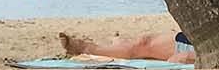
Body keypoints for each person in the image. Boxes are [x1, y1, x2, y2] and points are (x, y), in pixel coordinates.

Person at [60, 30, 195, 65]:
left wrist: (194, 56)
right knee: (143, 43)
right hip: (194, 40)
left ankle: (87, 49)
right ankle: (90, 48)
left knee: (144, 46)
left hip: (193, 48)